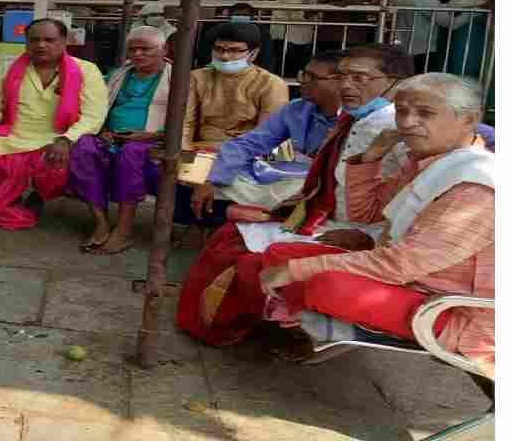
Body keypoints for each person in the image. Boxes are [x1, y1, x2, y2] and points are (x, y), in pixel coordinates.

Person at [175, 44, 415, 346]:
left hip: (328, 207)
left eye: (359, 78)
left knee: (239, 242)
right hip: (298, 192)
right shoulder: (328, 115)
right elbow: (240, 142)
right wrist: (206, 175)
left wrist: (367, 234)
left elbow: (402, 201)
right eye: (342, 77)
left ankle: (239, 323)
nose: (346, 86)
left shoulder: (398, 129)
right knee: (186, 172)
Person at [258, 74, 493, 375]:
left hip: (453, 310)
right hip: (412, 282)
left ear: (468, 120)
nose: (407, 122)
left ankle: (323, 325)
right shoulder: (429, 162)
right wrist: (372, 156)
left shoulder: (476, 185)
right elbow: (366, 213)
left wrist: (297, 271)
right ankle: (315, 323)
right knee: (281, 253)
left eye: (425, 113)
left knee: (325, 284)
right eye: (402, 111)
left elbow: (401, 264)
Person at [0, 19, 107, 230]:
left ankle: (39, 195)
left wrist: (66, 139)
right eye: (35, 40)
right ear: (26, 43)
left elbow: (93, 116)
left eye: (49, 40)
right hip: (11, 134)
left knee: (59, 163)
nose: (41, 45)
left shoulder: (86, 70)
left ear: (64, 42)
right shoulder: (9, 68)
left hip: (57, 136)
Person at [187, 51, 345, 224]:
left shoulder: (355, 119)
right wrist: (209, 178)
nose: (302, 81)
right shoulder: (296, 109)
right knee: (186, 178)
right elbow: (249, 143)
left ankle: (232, 213)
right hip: (275, 172)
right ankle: (232, 212)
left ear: (339, 82)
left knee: (300, 197)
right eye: (303, 74)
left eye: (310, 77)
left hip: (309, 183)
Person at [171, 23, 289, 236]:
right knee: (173, 172)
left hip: (249, 154)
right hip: (200, 148)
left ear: (253, 54)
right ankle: (219, 218)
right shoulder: (197, 77)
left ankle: (225, 219)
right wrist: (189, 163)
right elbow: (184, 125)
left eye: (234, 50)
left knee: (249, 179)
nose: (225, 56)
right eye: (219, 49)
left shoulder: (272, 84)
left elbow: (267, 139)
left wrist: (214, 173)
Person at [67, 26, 171, 254]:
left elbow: (185, 120)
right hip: (110, 137)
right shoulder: (118, 74)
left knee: (131, 153)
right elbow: (94, 104)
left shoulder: (177, 79)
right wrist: (102, 128)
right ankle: (101, 223)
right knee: (82, 147)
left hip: (152, 141)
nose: (138, 54)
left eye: (146, 49)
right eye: (133, 49)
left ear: (164, 50)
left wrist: (154, 135)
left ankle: (123, 231)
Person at [393, 0, 471, 74]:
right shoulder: (425, 0)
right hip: (424, 51)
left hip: (405, 48)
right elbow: (450, 23)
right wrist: (472, 12)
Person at [270, 0, 329, 78]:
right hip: (287, 37)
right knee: (287, 74)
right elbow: (297, 14)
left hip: (301, 36)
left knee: (298, 73)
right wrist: (322, 7)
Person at [444, 0, 490, 76]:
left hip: (470, 43)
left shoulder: (455, 0)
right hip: (466, 43)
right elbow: (455, 24)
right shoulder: (480, 3)